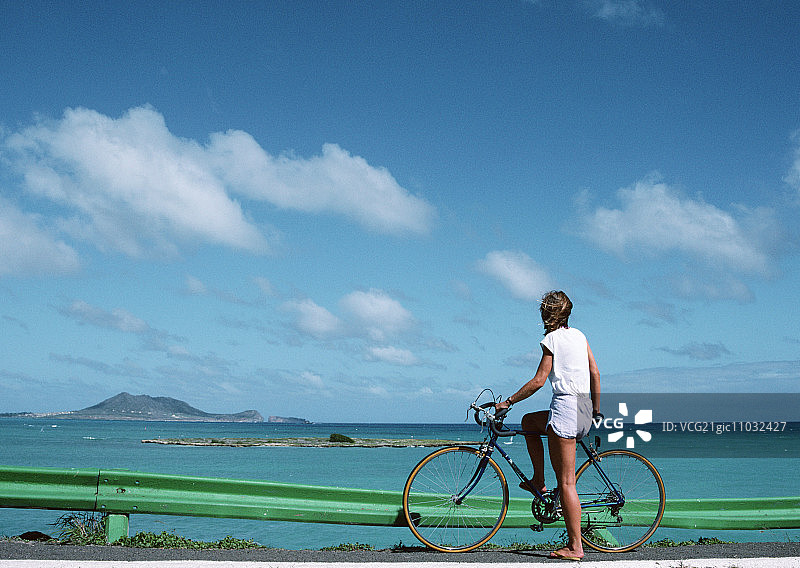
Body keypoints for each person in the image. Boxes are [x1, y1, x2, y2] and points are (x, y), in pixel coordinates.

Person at [495, 290, 600, 561]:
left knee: (566, 483)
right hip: (584, 408)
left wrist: (508, 401)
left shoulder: (551, 339)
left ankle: (576, 547)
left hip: (565, 410)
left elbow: (539, 380)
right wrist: (597, 410)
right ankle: (538, 481)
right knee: (530, 422)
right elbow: (595, 372)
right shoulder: (580, 336)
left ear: (547, 314)